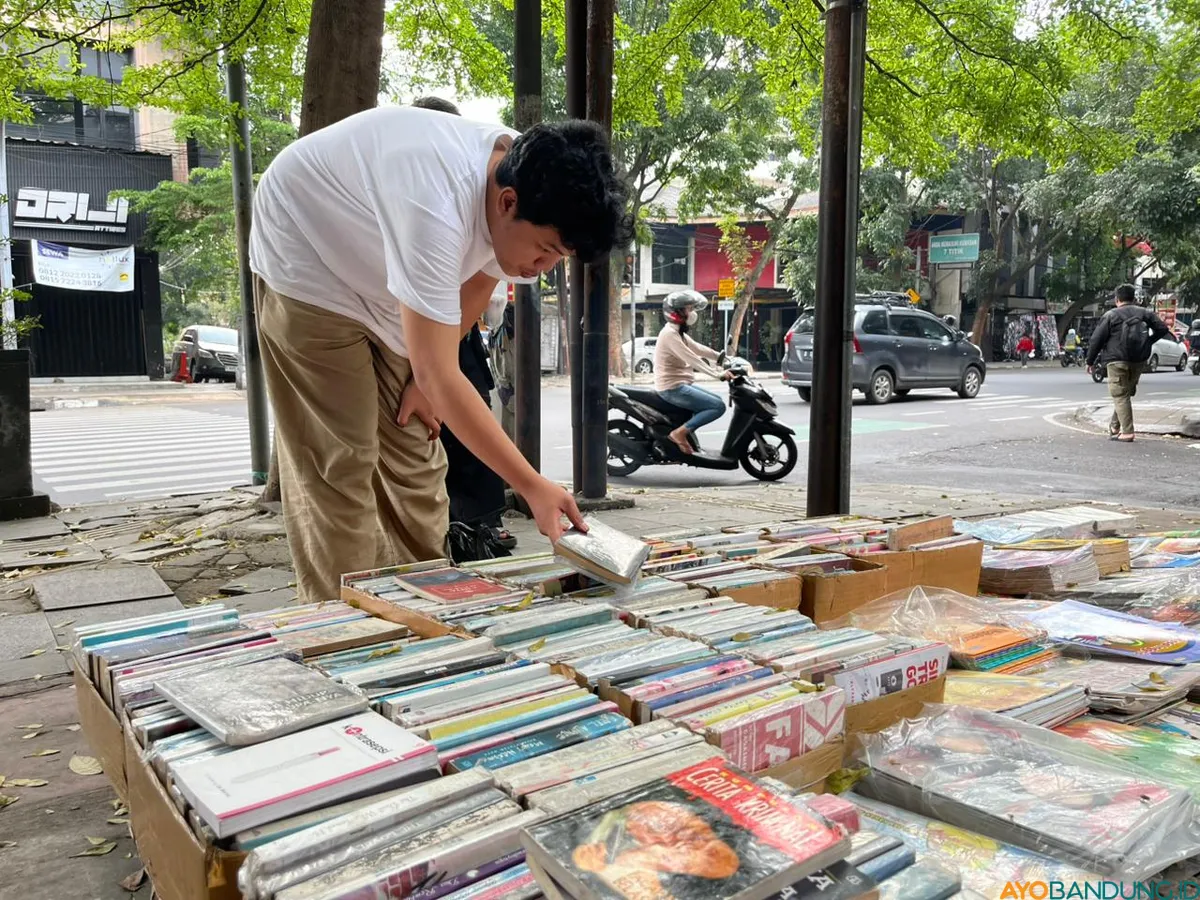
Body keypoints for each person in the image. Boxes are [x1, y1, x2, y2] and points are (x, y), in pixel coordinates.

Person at [249, 105, 631, 602]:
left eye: (558, 258)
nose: (541, 268)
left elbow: (479, 281)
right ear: (507, 202)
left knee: (417, 460)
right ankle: (340, 621)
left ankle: (420, 606)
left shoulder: (533, 175)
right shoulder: (435, 200)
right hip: (309, 267)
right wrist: (532, 484)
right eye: (544, 250)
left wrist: (427, 377)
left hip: (390, 282)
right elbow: (441, 375)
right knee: (342, 462)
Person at [1086, 284, 1171, 442]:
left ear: (1117, 299)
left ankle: (1127, 432)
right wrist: (1148, 342)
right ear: (1133, 298)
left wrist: (1090, 361)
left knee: (1120, 394)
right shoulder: (1145, 313)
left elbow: (1097, 339)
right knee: (1124, 394)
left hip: (1116, 359)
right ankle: (1114, 426)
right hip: (1138, 360)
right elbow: (1163, 329)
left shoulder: (1111, 315)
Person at [653, 290, 731, 454]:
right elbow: (692, 358)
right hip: (672, 388)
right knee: (717, 406)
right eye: (688, 309)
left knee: (717, 400)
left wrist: (721, 357)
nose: (692, 313)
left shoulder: (676, 332)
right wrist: (717, 374)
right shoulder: (669, 334)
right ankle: (679, 433)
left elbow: (697, 348)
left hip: (680, 384)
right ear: (677, 313)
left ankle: (687, 432)